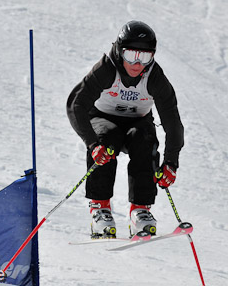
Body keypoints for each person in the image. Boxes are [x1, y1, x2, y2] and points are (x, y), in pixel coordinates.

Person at [66, 20, 184, 239]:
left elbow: (173, 122)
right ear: (120, 51)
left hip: (137, 121)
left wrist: (171, 162)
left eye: (145, 57)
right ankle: (100, 208)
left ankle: (140, 210)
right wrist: (92, 144)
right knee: (106, 140)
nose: (137, 63)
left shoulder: (155, 77)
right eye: (131, 55)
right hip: (102, 117)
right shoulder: (107, 68)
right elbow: (76, 104)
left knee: (144, 139)